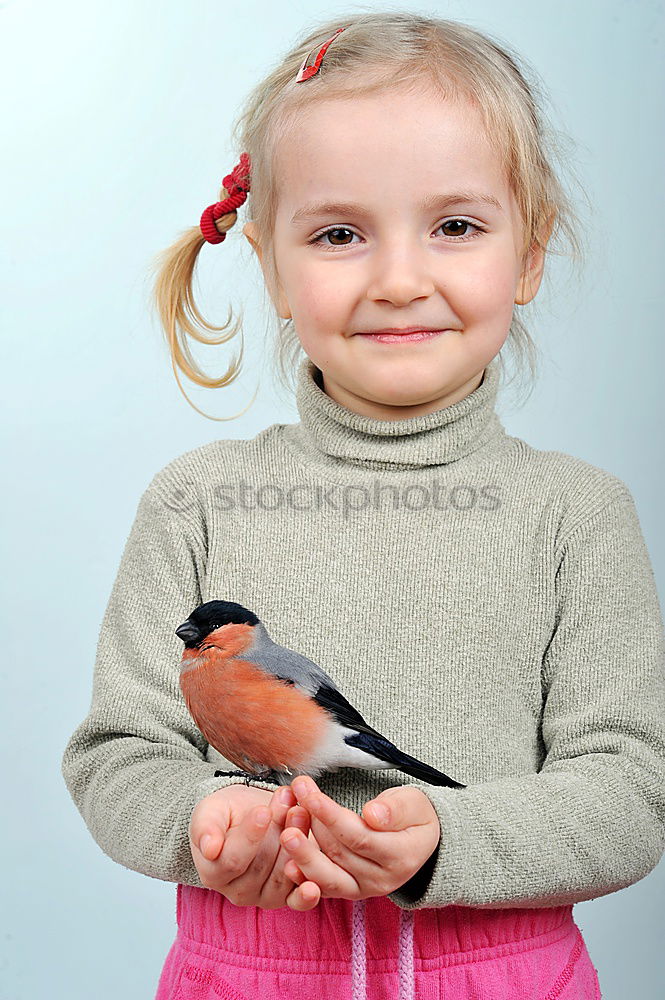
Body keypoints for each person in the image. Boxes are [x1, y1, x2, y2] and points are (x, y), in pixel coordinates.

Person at [61, 11, 665, 1000]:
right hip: (247, 973)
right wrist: (207, 817)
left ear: (528, 253)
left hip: (504, 977)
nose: (395, 279)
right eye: (339, 233)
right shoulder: (197, 504)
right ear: (272, 267)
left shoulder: (576, 515)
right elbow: (118, 751)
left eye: (455, 226)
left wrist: (448, 837)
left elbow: (630, 790)